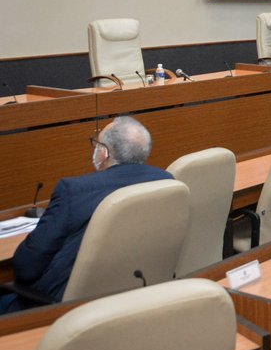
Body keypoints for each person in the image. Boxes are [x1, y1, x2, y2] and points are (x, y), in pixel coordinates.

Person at [3, 117, 172, 313]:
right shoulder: (165, 182)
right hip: (129, 298)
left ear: (104, 152)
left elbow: (26, 268)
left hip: (61, 309)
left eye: (97, 144)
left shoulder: (73, 191)